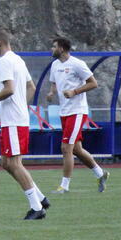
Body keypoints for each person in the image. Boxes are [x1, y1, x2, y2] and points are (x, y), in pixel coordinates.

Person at [0, 28, 50, 220]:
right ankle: (41, 198)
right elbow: (31, 87)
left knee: (14, 163)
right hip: (17, 119)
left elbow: (9, 89)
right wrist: (22, 106)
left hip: (13, 121)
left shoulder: (4, 61)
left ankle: (36, 208)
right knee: (6, 163)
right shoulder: (18, 60)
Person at [46, 37, 109, 193]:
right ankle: (101, 174)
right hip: (64, 111)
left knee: (66, 148)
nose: (51, 49)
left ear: (61, 48)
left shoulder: (77, 63)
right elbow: (54, 83)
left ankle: (64, 186)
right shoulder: (54, 65)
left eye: (54, 46)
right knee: (76, 149)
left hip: (77, 111)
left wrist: (74, 91)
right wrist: (51, 93)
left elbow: (93, 83)